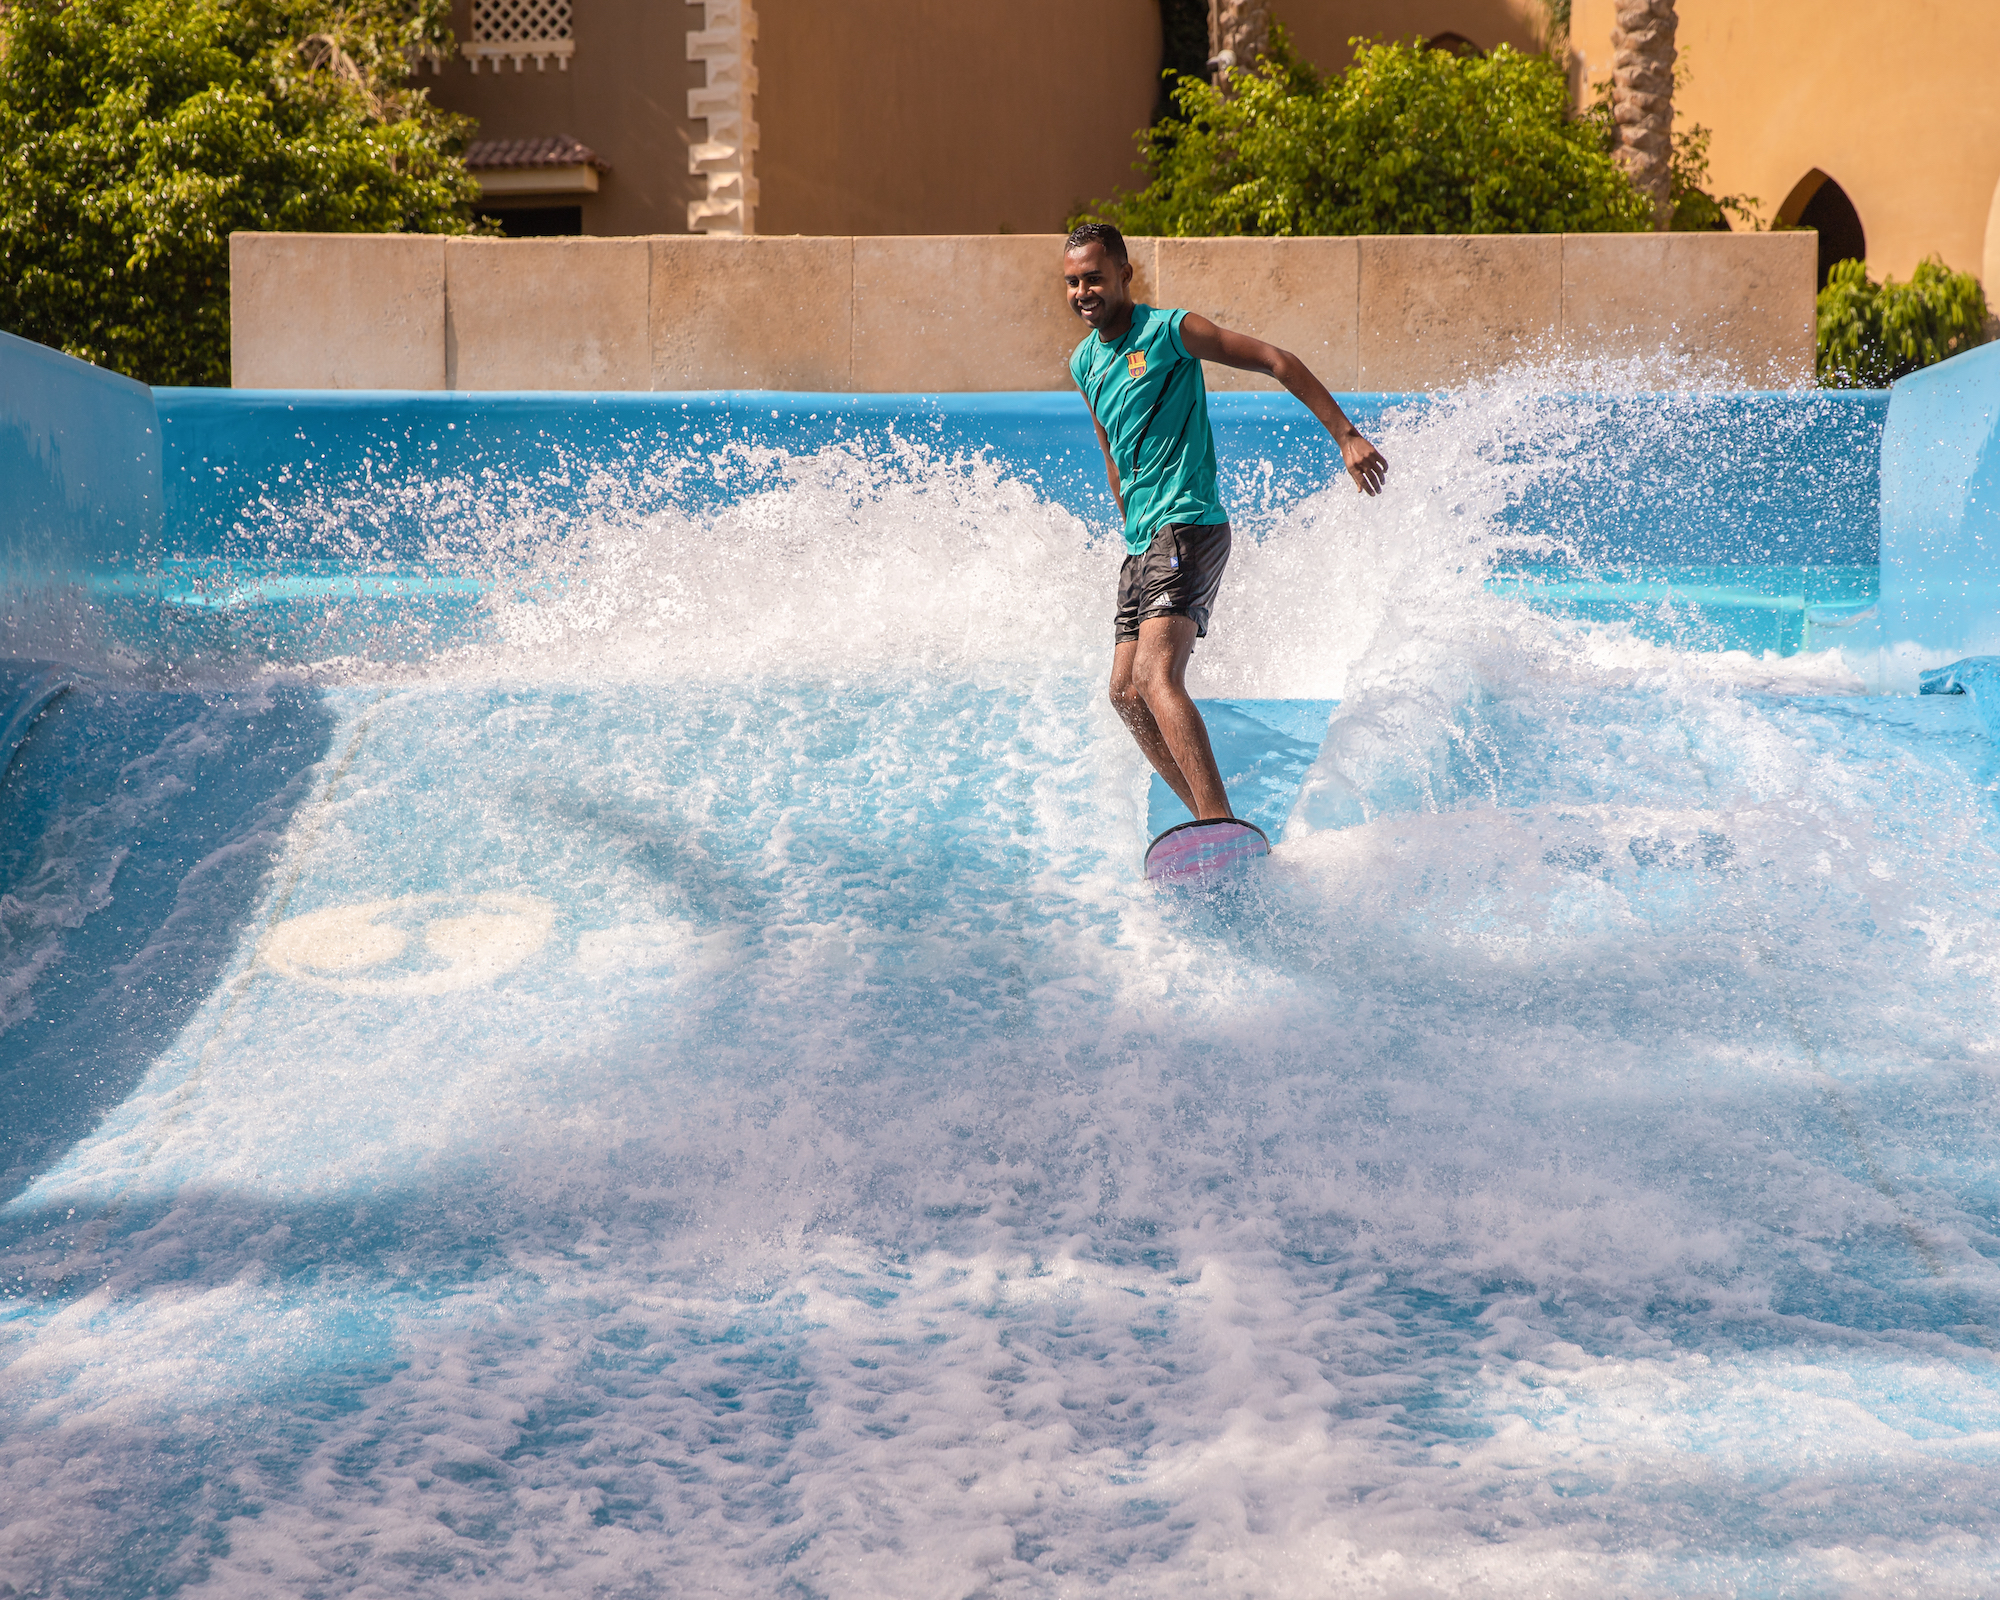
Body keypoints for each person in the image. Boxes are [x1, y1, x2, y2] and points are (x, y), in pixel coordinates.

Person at [1062, 222, 1388, 825]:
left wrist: (1346, 435)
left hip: (1188, 524)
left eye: (1094, 278)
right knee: (1125, 694)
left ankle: (1216, 821)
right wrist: (1131, 533)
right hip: (1143, 542)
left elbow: (1275, 360)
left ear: (1125, 275)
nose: (1083, 291)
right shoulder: (1084, 362)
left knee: (1156, 676)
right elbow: (1111, 455)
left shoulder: (1170, 331)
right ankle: (1211, 826)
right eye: (1073, 282)